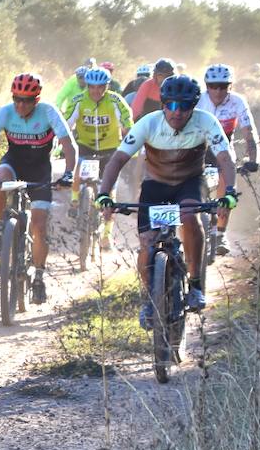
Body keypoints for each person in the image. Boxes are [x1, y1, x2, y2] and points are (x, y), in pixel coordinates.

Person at [96, 75, 238, 326]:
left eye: (184, 106)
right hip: (156, 186)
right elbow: (118, 160)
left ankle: (195, 284)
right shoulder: (148, 124)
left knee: (189, 217)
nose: (177, 112)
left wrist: (229, 192)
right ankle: (150, 298)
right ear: (163, 104)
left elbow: (225, 159)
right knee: (146, 243)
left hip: (190, 183)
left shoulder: (206, 122)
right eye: (171, 105)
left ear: (193, 107)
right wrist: (105, 193)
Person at [0, 73, 78, 305]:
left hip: (40, 171)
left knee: (38, 227)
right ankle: (0, 226)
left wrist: (68, 173)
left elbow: (69, 145)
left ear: (36, 100)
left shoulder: (48, 112)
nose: (20, 105)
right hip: (14, 164)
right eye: (17, 98)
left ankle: (38, 276)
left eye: (26, 100)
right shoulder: (6, 112)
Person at [197, 63, 260, 255]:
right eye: (213, 86)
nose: (218, 91)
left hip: (224, 149)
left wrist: (254, 158)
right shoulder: (198, 100)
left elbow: (249, 131)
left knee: (227, 190)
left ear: (230, 86)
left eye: (223, 86)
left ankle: (220, 233)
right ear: (206, 86)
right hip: (199, 147)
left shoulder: (237, 101)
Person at [65, 67, 134, 248]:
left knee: (109, 190)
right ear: (87, 86)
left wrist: (129, 136)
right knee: (78, 168)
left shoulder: (115, 100)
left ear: (107, 86)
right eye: (92, 87)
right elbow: (66, 123)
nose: (96, 91)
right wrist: (61, 142)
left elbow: (127, 121)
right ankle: (74, 200)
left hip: (110, 148)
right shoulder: (78, 100)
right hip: (85, 145)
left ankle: (106, 234)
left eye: (101, 87)